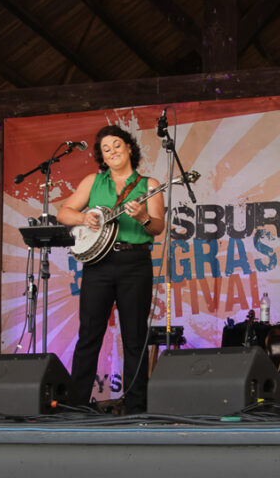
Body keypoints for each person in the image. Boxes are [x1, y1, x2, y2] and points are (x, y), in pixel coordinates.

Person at [57, 125, 165, 414]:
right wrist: (84, 218)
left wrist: (142, 217)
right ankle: (77, 405)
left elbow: (157, 227)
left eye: (117, 145)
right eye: (106, 149)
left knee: (134, 337)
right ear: (101, 157)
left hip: (134, 263)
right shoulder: (93, 181)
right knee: (89, 334)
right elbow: (63, 213)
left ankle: (137, 407)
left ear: (129, 147)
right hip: (98, 265)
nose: (112, 152)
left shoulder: (150, 184)